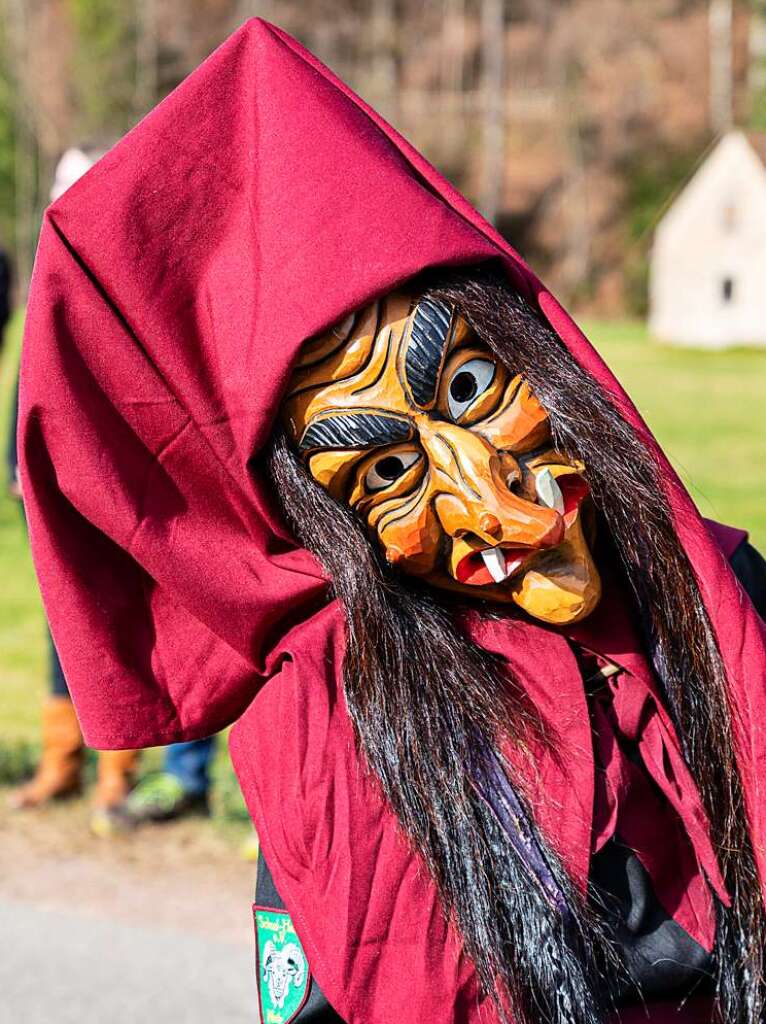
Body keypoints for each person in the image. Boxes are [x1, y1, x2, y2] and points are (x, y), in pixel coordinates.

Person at [17, 19, 766, 1024]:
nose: (492, 500)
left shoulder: (726, 594)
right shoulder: (340, 737)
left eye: (468, 384)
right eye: (384, 470)